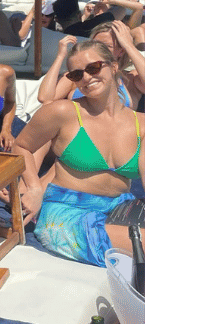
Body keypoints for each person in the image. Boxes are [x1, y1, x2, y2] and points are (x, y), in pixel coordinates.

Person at [10, 39, 145, 267]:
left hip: (120, 208)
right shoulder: (64, 112)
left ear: (113, 66)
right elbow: (21, 146)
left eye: (93, 68)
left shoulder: (140, 123)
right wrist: (33, 187)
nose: (86, 78)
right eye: (76, 74)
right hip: (66, 211)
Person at [38, 21, 145, 110]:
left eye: (107, 46)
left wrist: (128, 45)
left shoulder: (130, 80)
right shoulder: (78, 77)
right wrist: (60, 57)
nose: (98, 50)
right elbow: (45, 99)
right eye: (95, 44)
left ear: (121, 52)